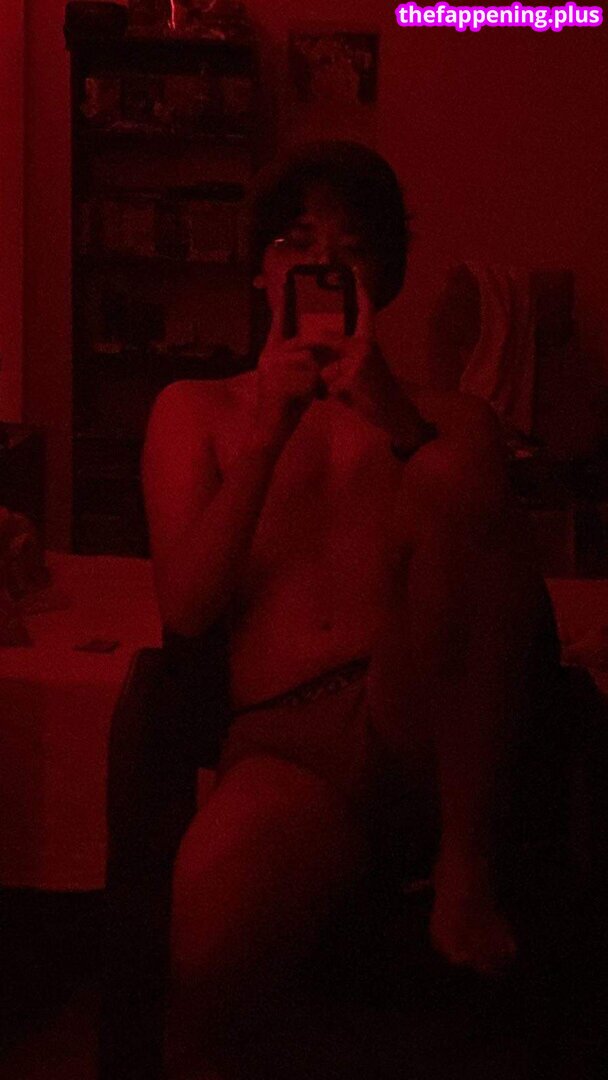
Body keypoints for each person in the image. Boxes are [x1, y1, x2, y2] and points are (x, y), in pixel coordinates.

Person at [142, 140, 564, 1075]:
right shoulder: (195, 410)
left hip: (424, 720)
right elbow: (189, 607)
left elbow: (492, 576)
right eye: (298, 242)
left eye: (352, 249)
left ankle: (463, 867)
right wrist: (268, 434)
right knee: (206, 945)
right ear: (263, 272)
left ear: (385, 279)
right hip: (289, 742)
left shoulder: (452, 420)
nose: (322, 263)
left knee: (453, 472)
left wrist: (394, 420)